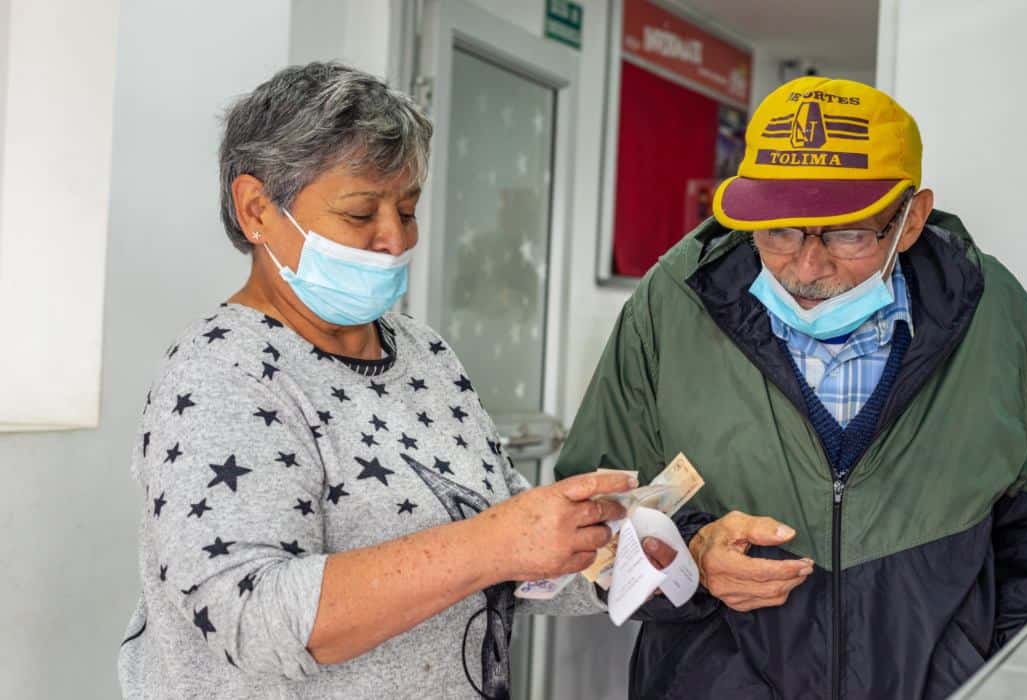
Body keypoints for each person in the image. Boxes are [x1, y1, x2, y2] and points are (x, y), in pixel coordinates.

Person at [116, 62, 650, 699]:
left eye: (407, 208)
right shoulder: (221, 371)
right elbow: (251, 619)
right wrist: (491, 544)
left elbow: (510, 552)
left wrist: (643, 552)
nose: (394, 238)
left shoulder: (424, 353)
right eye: (361, 212)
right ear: (257, 208)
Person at [555, 76, 1027, 699]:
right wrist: (695, 562)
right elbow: (591, 516)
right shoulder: (672, 304)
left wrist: (1005, 682)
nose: (806, 267)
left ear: (912, 218)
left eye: (847, 234)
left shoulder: (996, 316)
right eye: (779, 231)